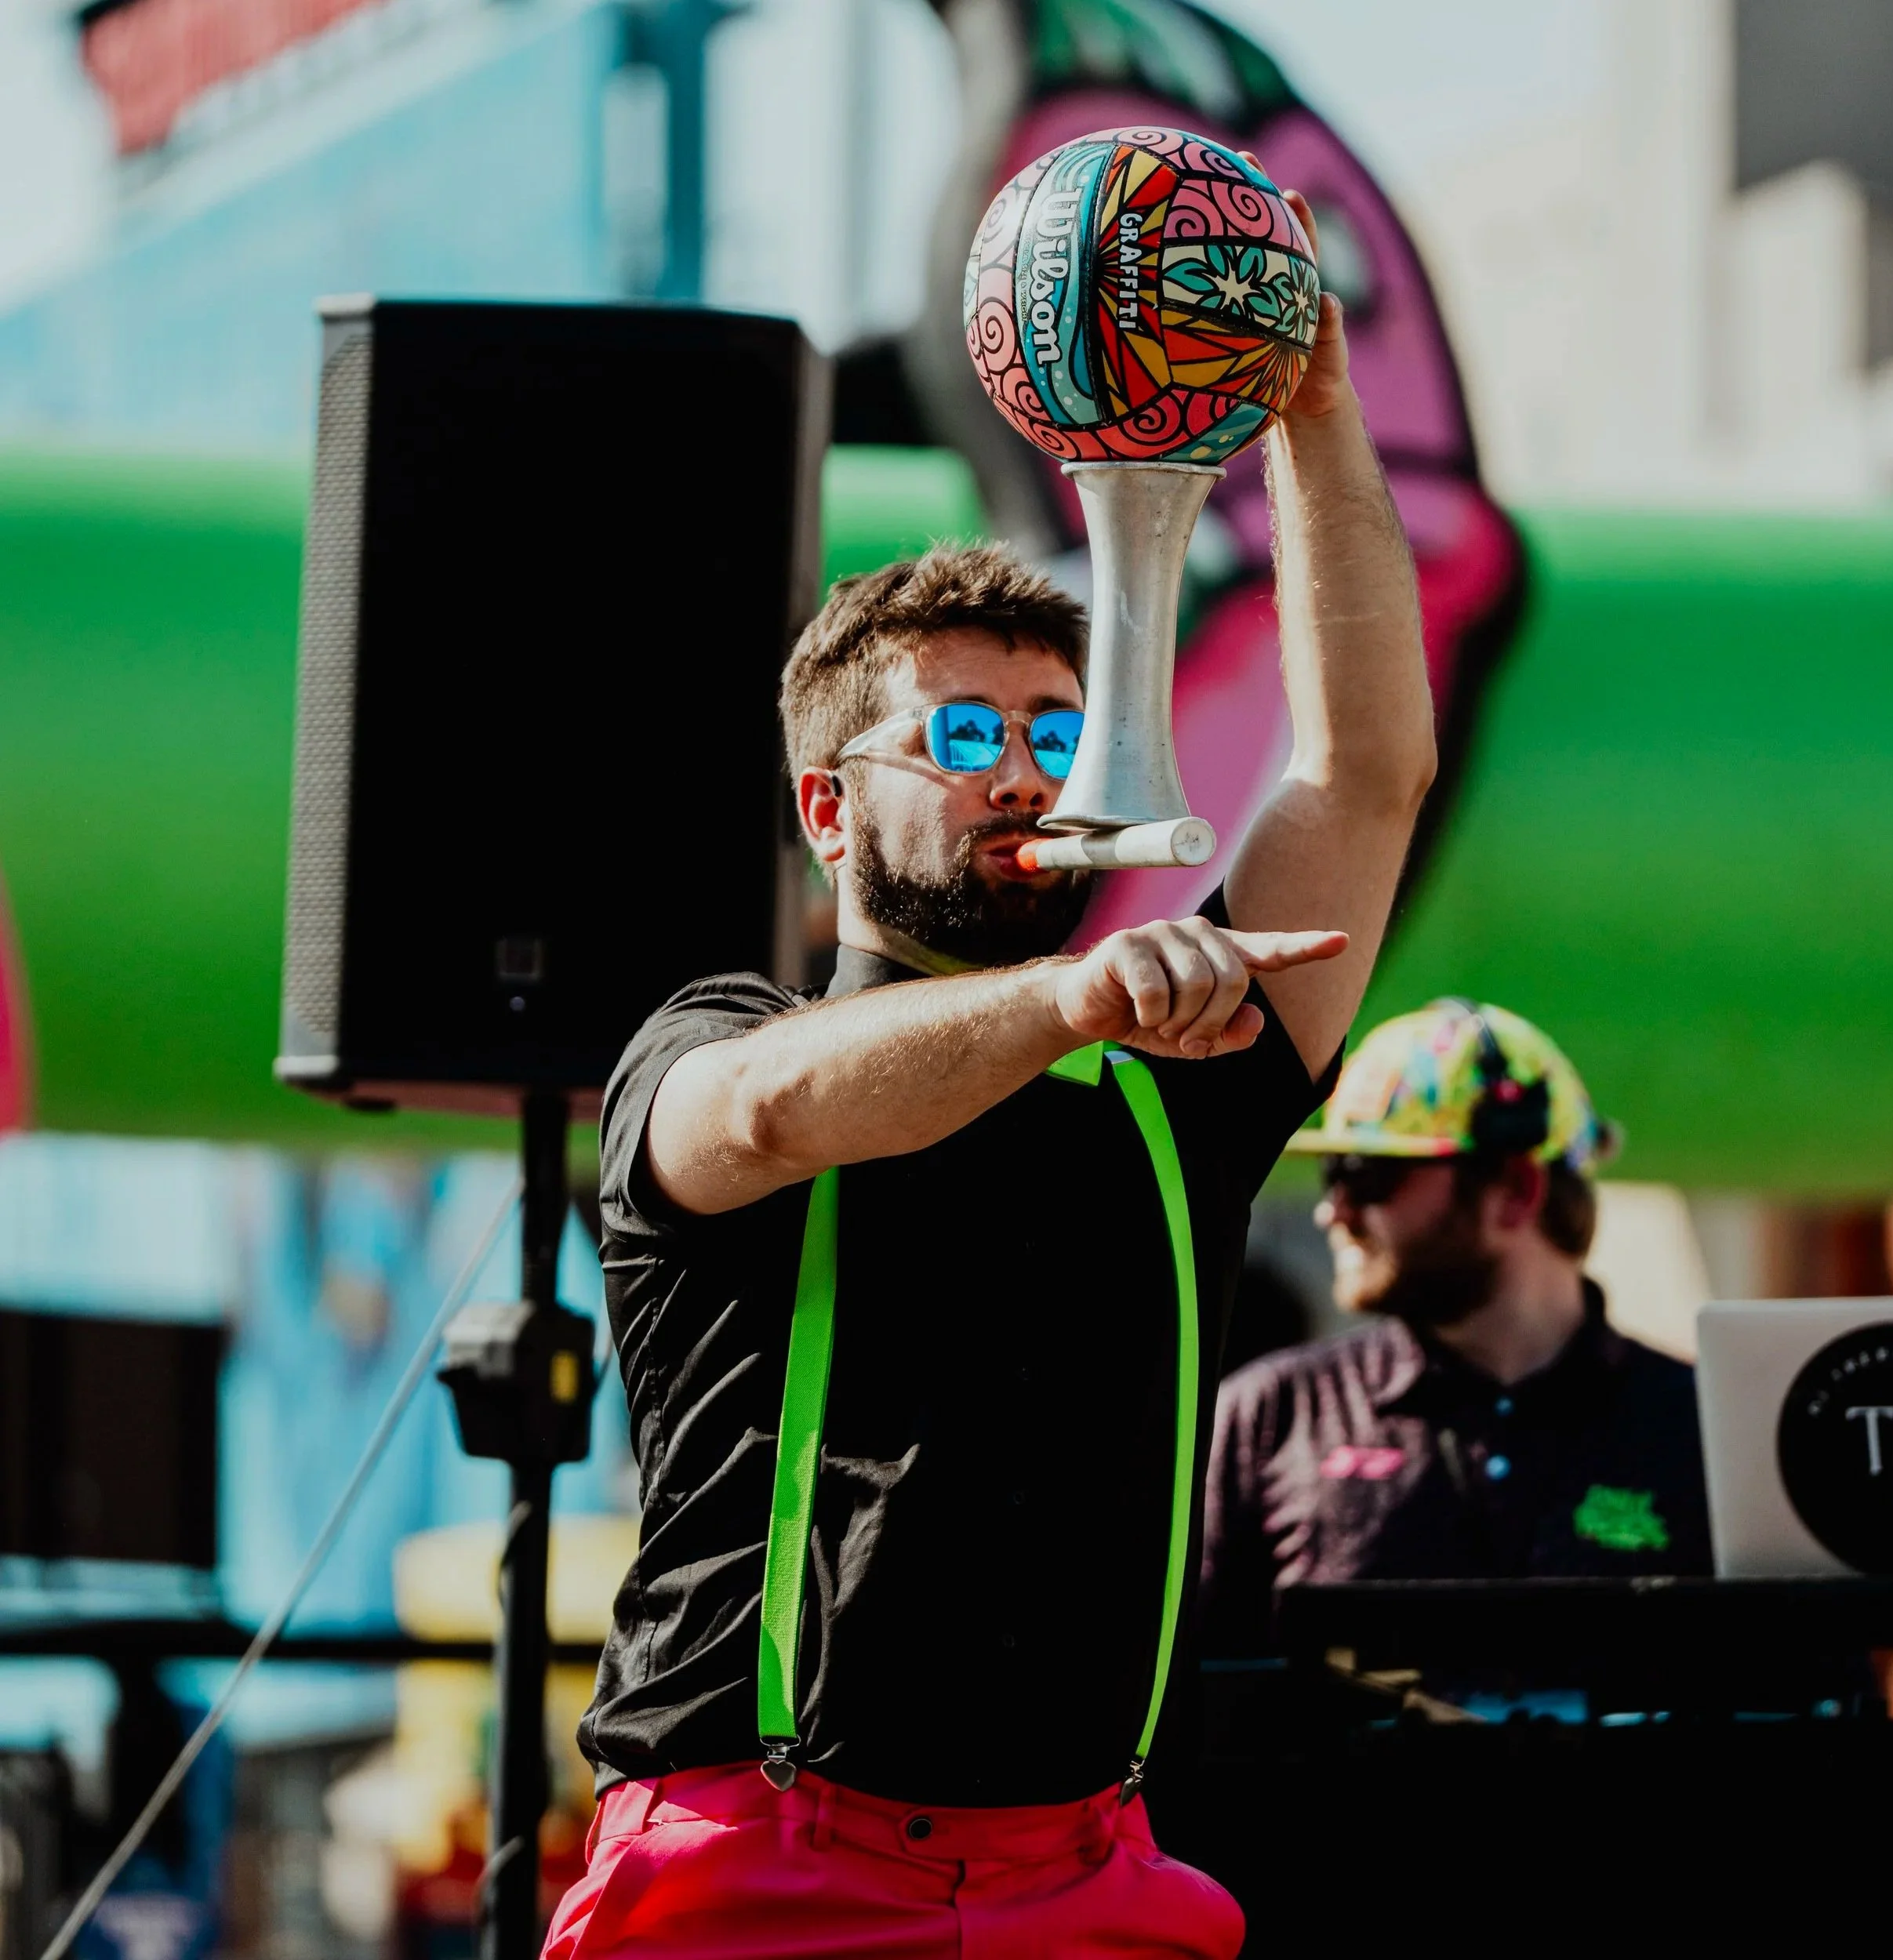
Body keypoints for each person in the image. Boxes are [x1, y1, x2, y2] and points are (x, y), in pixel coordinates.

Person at [544, 177, 1435, 1960]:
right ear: (827, 807)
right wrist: (1073, 1002)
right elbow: (781, 1116)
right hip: (757, 1874)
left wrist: (1317, 424)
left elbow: (1363, 779)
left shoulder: (1167, 1066)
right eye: (962, 735)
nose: (1023, 769)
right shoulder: (717, 1037)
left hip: (1090, 1879)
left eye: (1049, 728)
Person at [1202, 1000, 1713, 1656]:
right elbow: (1167, 1707)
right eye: (1333, 1174)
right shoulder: (1271, 1417)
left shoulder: (1700, 1428)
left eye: (1368, 1174)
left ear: (1516, 1192)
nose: (1334, 1210)